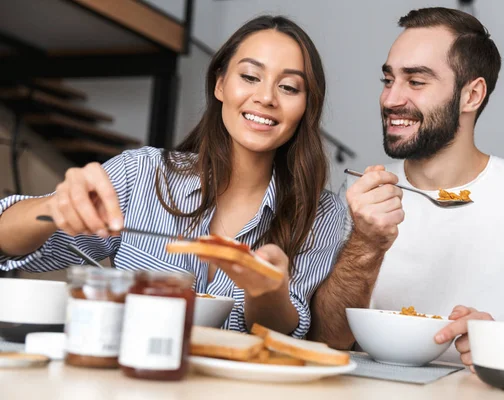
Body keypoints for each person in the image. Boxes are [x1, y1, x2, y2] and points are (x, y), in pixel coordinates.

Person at [0, 15, 346, 338]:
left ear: (307, 107)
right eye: (250, 77)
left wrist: (266, 290)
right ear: (220, 84)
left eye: (288, 87)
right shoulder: (141, 174)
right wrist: (57, 204)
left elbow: (282, 333)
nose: (266, 97)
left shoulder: (322, 214)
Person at [309, 7, 504, 387]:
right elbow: (324, 341)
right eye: (388, 79)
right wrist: (364, 243)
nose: (391, 98)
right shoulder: (362, 194)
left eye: (416, 82)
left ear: (471, 95)